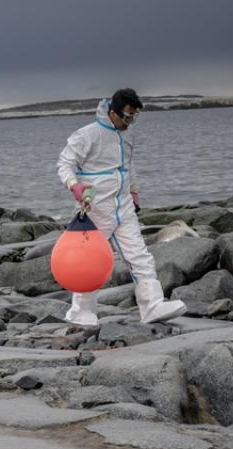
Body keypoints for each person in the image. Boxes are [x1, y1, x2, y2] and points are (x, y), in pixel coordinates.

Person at [55, 88, 187, 327]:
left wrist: (134, 191)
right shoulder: (87, 135)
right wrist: (74, 186)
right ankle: (80, 312)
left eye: (134, 117)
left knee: (140, 256)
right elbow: (65, 164)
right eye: (127, 117)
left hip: (123, 207)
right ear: (112, 112)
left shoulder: (127, 134)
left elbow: (128, 164)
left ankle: (152, 306)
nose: (130, 122)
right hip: (96, 208)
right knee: (89, 260)